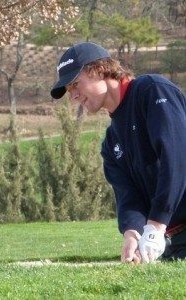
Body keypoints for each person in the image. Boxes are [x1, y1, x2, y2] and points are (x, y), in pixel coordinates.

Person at [50, 42, 186, 264]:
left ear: (99, 70)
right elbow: (128, 196)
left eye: (75, 84)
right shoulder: (111, 143)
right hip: (173, 244)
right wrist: (133, 234)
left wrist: (156, 225)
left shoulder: (151, 91)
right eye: (69, 91)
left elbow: (177, 160)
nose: (72, 96)